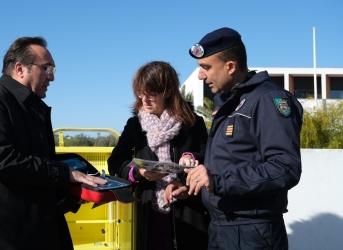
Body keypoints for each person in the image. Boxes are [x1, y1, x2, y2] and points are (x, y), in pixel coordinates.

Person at [0, 37, 106, 250]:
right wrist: (65, 173)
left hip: (41, 232)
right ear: (20, 69)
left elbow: (38, 167)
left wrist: (78, 190)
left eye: (53, 69)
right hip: (2, 239)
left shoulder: (35, 107)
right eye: (46, 68)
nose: (51, 77)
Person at [172, 27, 303, 249]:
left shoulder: (267, 100)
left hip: (252, 232)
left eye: (205, 67)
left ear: (230, 66)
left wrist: (218, 181)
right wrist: (198, 180)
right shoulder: (229, 102)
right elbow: (232, 161)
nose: (201, 75)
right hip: (221, 227)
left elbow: (285, 167)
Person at [107, 61, 210, 250]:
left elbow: (210, 158)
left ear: (169, 92)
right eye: (141, 93)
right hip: (149, 213)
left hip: (189, 214)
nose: (144, 99)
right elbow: (115, 162)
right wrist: (138, 173)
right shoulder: (135, 125)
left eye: (151, 94)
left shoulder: (194, 123)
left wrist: (191, 158)